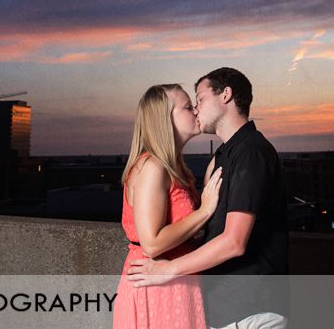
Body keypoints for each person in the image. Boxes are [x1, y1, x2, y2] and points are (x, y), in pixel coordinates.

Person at [128, 68, 289, 329]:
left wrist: (170, 269)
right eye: (190, 105)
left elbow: (234, 242)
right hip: (221, 307)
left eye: (200, 100)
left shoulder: (251, 152)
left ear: (225, 95)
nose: (196, 109)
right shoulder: (222, 157)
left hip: (251, 310)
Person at [114, 84, 224, 329]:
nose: (196, 110)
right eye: (187, 107)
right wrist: (204, 211)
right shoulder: (151, 168)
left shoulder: (174, 167)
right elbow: (152, 243)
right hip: (156, 287)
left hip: (177, 283)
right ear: (165, 120)